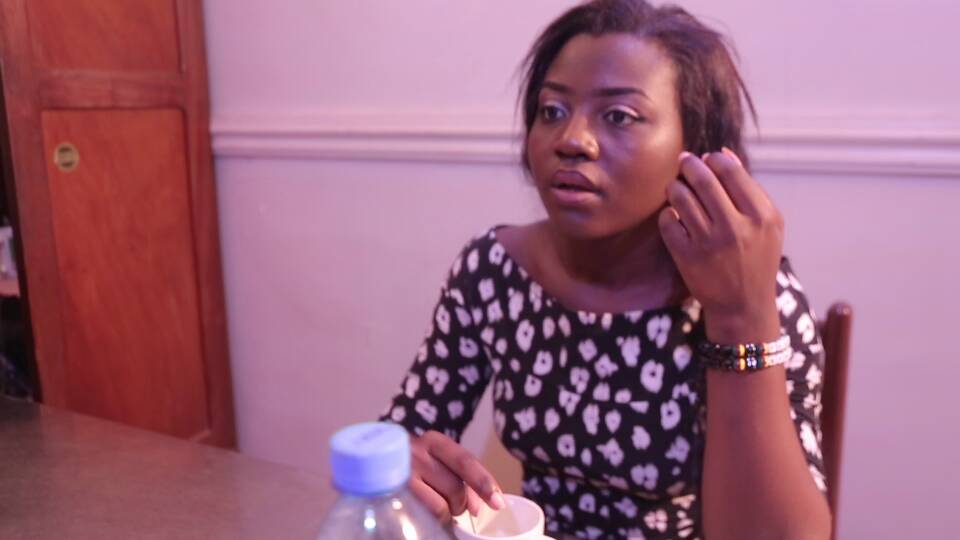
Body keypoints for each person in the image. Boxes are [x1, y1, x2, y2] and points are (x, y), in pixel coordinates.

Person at [380, 1, 831, 538]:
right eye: (552, 111)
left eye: (619, 116)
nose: (571, 139)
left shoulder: (753, 292)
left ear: (696, 150)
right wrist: (402, 464)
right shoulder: (493, 271)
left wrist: (738, 314)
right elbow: (400, 445)